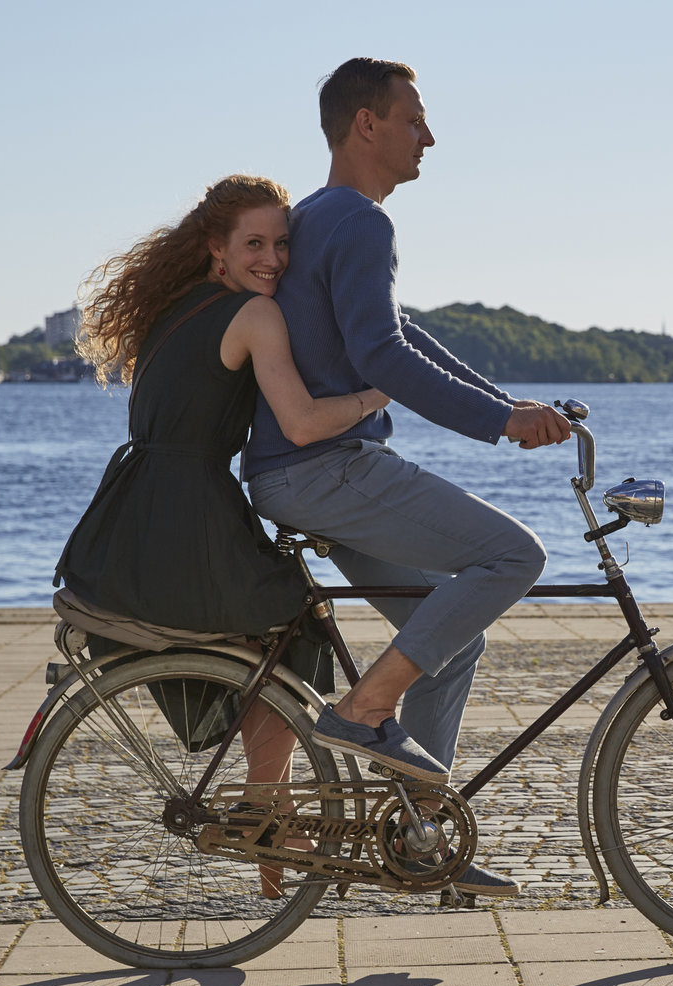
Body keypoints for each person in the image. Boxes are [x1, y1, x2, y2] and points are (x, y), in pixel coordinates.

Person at [242, 58, 571, 899]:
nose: (430, 135)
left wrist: (509, 401)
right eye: (415, 118)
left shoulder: (322, 217)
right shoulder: (359, 223)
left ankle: (424, 840)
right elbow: (383, 357)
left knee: (452, 645)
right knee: (512, 556)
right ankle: (359, 714)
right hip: (326, 470)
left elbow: (407, 338)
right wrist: (499, 424)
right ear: (366, 125)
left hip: (305, 473)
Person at [56, 174, 391, 897]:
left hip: (135, 511)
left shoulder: (174, 311)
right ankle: (265, 808)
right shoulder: (254, 317)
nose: (272, 259)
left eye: (280, 245)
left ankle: (266, 807)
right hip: (187, 511)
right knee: (291, 629)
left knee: (273, 638)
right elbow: (300, 422)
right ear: (217, 249)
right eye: (254, 244)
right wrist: (373, 396)